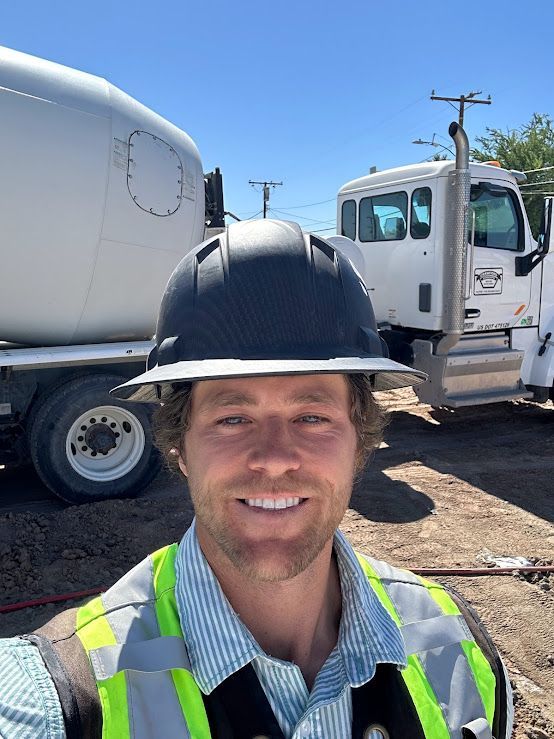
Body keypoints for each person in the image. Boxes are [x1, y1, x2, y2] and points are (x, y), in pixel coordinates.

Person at [0, 220, 512, 738]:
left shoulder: (461, 647)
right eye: (232, 419)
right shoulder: (60, 699)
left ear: (360, 440)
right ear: (180, 447)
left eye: (312, 417)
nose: (274, 459)